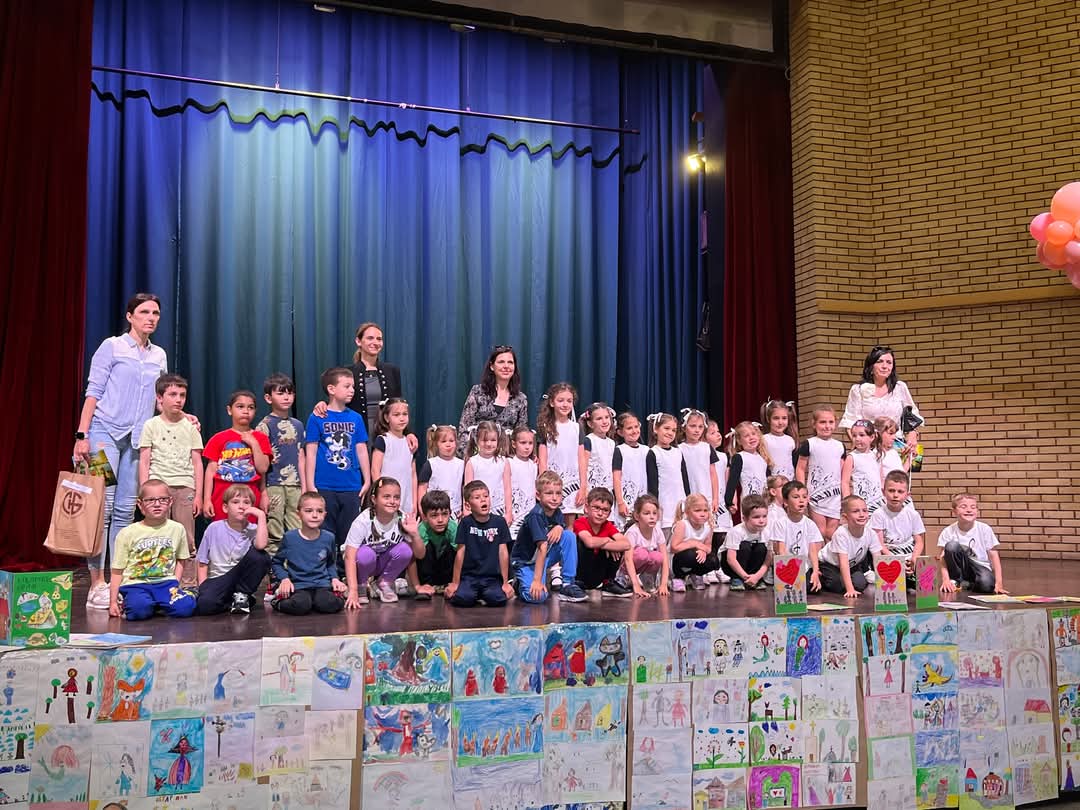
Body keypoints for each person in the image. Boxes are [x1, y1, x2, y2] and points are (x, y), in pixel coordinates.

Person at [75, 293, 170, 610]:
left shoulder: (158, 355)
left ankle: (119, 579)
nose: (151, 317)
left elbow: (161, 399)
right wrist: (82, 435)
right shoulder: (112, 347)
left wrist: (182, 416)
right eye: (144, 312)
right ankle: (96, 583)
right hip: (103, 434)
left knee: (126, 510)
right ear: (130, 316)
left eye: (155, 313)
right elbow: (93, 392)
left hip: (136, 438)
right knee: (101, 508)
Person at [137, 374, 204, 589]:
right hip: (159, 487)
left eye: (182, 395)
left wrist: (199, 495)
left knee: (187, 537)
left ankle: (188, 584)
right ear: (160, 397)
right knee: (158, 535)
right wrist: (145, 492)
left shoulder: (190, 426)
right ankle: (158, 582)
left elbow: (197, 462)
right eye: (173, 394)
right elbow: (144, 460)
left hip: (184, 487)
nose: (178, 400)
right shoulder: (151, 425)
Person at [304, 367, 371, 570]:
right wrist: (310, 484)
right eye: (347, 386)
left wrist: (367, 479)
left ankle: (344, 573)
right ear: (331, 389)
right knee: (325, 532)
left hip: (350, 485)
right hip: (324, 485)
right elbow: (311, 453)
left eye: (353, 386)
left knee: (348, 532)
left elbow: (361, 450)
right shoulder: (317, 417)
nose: (352, 390)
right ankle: (325, 572)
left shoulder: (356, 418)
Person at [108, 479, 197, 621]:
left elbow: (181, 559)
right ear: (140, 504)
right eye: (150, 500)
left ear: (170, 502)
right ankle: (144, 603)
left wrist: (175, 582)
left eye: (163, 499)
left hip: (165, 583)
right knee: (139, 611)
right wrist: (112, 602)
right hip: (136, 585)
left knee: (186, 607)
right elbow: (117, 570)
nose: (157, 504)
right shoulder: (127, 533)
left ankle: (160, 602)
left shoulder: (177, 529)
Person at [254, 372, 306, 597]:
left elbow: (301, 457)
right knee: (274, 532)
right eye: (280, 393)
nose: (286, 397)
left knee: (295, 531)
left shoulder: (298, 424)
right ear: (268, 398)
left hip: (295, 486)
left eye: (290, 393)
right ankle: (275, 578)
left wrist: (305, 486)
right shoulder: (264, 426)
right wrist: (263, 491)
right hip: (274, 485)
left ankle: (294, 576)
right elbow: (261, 464)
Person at [342, 477, 423, 606]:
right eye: (386, 497)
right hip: (363, 564)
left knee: (406, 550)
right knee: (366, 554)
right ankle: (361, 584)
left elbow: (420, 555)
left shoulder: (403, 518)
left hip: (381, 564)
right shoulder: (363, 520)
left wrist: (415, 535)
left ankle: (384, 582)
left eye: (396, 497)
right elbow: (349, 556)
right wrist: (353, 590)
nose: (392, 501)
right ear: (374, 499)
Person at [510, 471, 587, 603]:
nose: (554, 498)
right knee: (538, 597)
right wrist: (537, 581)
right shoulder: (536, 515)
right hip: (526, 562)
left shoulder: (557, 512)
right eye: (549, 493)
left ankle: (567, 583)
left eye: (558, 493)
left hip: (543, 557)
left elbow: (559, 529)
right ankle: (518, 584)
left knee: (569, 536)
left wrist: (560, 526)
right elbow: (542, 547)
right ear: (538, 495)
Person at [195, 485, 271, 615]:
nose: (241, 506)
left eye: (246, 502)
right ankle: (234, 601)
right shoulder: (214, 528)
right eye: (235, 502)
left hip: (240, 578)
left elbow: (261, 545)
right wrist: (203, 586)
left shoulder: (254, 529)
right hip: (219, 578)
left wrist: (261, 516)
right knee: (205, 606)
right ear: (225, 507)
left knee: (261, 556)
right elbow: (202, 561)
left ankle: (242, 594)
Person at [270, 492, 347, 615]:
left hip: (322, 584)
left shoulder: (329, 538)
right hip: (299, 585)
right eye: (309, 511)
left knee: (327, 603)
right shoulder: (290, 538)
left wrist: (335, 579)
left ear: (325, 514)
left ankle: (325, 599)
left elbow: (330, 563)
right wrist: (284, 579)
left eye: (319, 511)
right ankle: (277, 601)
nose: (315, 515)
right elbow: (277, 562)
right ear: (299, 514)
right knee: (301, 605)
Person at [202, 390, 272, 520]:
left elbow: (262, 469)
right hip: (222, 494)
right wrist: (207, 499)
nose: (246, 411)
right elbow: (210, 471)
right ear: (229, 410)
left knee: (250, 530)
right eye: (240, 406)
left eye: (250, 407)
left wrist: (254, 443)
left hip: (250, 494)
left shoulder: (260, 438)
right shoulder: (218, 438)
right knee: (222, 530)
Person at [839, 345, 923, 454]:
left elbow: (912, 415)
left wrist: (912, 434)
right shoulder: (858, 390)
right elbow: (850, 422)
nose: (885, 366)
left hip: (897, 447)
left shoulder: (900, 387)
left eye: (889, 362)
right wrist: (862, 447)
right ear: (871, 366)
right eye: (880, 361)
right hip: (869, 448)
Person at [446, 481, 515, 607]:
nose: (483, 500)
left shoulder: (499, 522)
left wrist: (505, 582)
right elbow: (460, 553)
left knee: (498, 599)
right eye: (477, 497)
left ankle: (483, 594)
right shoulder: (465, 523)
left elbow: (503, 552)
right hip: (469, 577)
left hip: (492, 578)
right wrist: (455, 582)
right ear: (468, 505)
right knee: (462, 599)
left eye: (486, 496)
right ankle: (476, 594)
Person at [456, 345, 529, 456]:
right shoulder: (477, 392)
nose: (506, 366)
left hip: (507, 458)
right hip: (477, 457)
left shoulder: (521, 398)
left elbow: (521, 435)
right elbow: (464, 428)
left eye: (510, 362)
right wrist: (468, 457)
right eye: (501, 362)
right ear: (492, 366)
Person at [537, 383, 589, 520]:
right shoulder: (545, 427)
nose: (565, 404)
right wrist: (544, 485)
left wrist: (583, 487)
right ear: (552, 403)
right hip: (552, 484)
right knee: (550, 522)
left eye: (569, 401)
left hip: (573, 484)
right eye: (560, 400)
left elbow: (581, 459)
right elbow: (543, 460)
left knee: (570, 523)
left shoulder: (577, 428)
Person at [938, 493, 1007, 594]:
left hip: (980, 567)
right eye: (963, 507)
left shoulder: (984, 529)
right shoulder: (948, 531)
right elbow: (942, 558)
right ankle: (957, 580)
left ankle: (968, 584)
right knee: (951, 546)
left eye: (973, 507)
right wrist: (945, 580)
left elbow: (994, 556)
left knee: (987, 586)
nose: (969, 510)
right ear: (954, 511)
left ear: (977, 511)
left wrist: (999, 582)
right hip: (961, 568)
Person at [795, 406, 846, 541]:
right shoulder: (809, 444)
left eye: (830, 422)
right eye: (822, 422)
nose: (827, 426)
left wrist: (845, 494)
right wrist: (802, 491)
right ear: (814, 424)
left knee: (831, 533)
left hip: (835, 495)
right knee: (820, 532)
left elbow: (842, 472)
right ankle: (816, 554)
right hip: (816, 494)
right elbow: (800, 468)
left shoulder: (840, 446)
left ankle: (828, 554)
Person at [817, 495, 883, 597]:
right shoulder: (841, 534)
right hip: (829, 563)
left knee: (860, 584)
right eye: (856, 511)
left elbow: (878, 559)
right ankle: (820, 576)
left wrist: (884, 583)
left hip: (851, 565)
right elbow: (843, 563)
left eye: (864, 510)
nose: (861, 514)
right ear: (845, 517)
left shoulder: (871, 533)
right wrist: (850, 589)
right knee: (836, 585)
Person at [764, 480, 823, 591]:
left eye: (804, 497)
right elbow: (781, 551)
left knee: (811, 587)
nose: (801, 500)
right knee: (794, 588)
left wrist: (815, 571)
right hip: (787, 567)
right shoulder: (781, 523)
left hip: (805, 566)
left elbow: (813, 551)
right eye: (796, 497)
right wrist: (790, 572)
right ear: (786, 502)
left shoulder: (810, 524)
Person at [573, 488, 632, 597]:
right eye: (596, 508)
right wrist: (607, 540)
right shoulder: (580, 522)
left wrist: (609, 545)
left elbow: (626, 544)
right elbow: (589, 542)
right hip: (581, 572)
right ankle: (578, 584)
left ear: (609, 513)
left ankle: (608, 583)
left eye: (605, 510)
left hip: (597, 573)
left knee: (617, 546)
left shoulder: (607, 525)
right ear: (586, 508)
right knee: (581, 543)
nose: (600, 513)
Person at [870, 471, 925, 578]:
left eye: (900, 492)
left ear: (907, 495)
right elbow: (879, 544)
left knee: (927, 574)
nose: (895, 495)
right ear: (883, 492)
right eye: (891, 491)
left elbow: (919, 542)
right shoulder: (878, 514)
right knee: (891, 578)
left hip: (909, 557)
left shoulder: (913, 514)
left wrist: (914, 558)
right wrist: (897, 562)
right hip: (889, 558)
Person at [371, 398, 418, 519]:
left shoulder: (410, 443)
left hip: (406, 498)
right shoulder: (383, 440)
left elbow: (413, 474)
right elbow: (375, 470)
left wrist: (414, 502)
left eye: (404, 414)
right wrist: (380, 492)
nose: (402, 418)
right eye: (396, 415)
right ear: (387, 418)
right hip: (387, 499)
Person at [617, 494, 670, 598]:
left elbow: (665, 559)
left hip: (643, 566)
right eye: (647, 513)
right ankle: (624, 577)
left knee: (658, 556)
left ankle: (647, 578)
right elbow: (628, 559)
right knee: (642, 554)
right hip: (629, 567)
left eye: (654, 513)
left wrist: (663, 584)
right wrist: (636, 586)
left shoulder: (657, 531)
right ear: (637, 516)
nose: (652, 517)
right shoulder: (633, 532)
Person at [410, 490, 458, 599]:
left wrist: (456, 582)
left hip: (447, 573)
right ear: (425, 517)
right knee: (423, 547)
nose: (440, 520)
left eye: (444, 514)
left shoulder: (452, 527)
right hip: (428, 572)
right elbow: (415, 558)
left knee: (458, 548)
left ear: (450, 513)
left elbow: (461, 556)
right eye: (434, 515)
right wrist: (417, 586)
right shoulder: (422, 529)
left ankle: (448, 583)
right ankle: (427, 584)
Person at [645, 413, 686, 539]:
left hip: (680, 502)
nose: (670, 433)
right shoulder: (653, 453)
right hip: (664, 504)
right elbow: (652, 483)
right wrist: (655, 506)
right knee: (664, 539)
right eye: (666, 428)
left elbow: (685, 480)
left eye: (673, 430)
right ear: (656, 429)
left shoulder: (678, 452)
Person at [720, 494, 772, 591]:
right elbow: (731, 559)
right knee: (745, 545)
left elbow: (768, 559)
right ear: (744, 518)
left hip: (750, 567)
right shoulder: (736, 531)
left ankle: (754, 578)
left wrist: (757, 576)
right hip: (731, 565)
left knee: (761, 547)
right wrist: (744, 576)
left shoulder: (766, 532)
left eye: (764, 516)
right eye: (756, 517)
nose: (761, 521)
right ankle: (737, 578)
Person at [671, 494, 722, 591]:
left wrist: (703, 550)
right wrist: (694, 544)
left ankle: (696, 575)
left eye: (705, 510)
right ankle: (679, 577)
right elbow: (674, 548)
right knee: (690, 554)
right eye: (697, 510)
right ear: (687, 512)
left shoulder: (708, 526)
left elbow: (708, 547)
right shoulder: (682, 525)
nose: (702, 514)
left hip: (695, 556)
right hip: (679, 559)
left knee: (714, 561)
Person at [704, 418, 733, 584]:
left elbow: (727, 480)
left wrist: (730, 499)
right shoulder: (703, 453)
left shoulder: (723, 456)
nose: (718, 435)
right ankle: (707, 567)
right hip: (707, 497)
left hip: (720, 499)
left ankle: (717, 566)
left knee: (721, 534)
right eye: (712, 432)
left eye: (718, 432)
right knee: (708, 533)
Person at [724, 421, 771, 518]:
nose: (751, 437)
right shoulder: (739, 457)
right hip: (749, 502)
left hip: (764, 501)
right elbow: (732, 481)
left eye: (753, 434)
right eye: (746, 436)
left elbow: (768, 481)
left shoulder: (762, 458)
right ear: (739, 441)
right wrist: (729, 501)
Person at [612, 412, 649, 531]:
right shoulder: (620, 450)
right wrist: (620, 502)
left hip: (643, 498)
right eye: (629, 428)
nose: (634, 431)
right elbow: (616, 477)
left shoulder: (646, 450)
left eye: (636, 427)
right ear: (620, 432)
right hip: (626, 500)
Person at [679, 409, 720, 517]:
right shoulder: (679, 449)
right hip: (687, 498)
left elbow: (713, 474)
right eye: (693, 426)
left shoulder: (707, 448)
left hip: (706, 496)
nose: (697, 430)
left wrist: (715, 498)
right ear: (684, 427)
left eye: (700, 427)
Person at [417, 425, 465, 517]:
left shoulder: (461, 464)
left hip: (456, 514)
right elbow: (422, 489)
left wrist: (465, 509)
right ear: (436, 444)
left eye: (451, 441)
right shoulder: (431, 464)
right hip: (434, 513)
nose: (448, 444)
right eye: (443, 441)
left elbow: (464, 489)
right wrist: (422, 512)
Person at [464, 421, 509, 516]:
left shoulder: (503, 462)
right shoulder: (472, 462)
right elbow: (467, 489)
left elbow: (507, 489)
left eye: (493, 440)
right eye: (484, 440)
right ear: (477, 440)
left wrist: (509, 512)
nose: (489, 444)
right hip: (477, 511)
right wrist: (467, 511)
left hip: (499, 510)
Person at [841, 419, 883, 513]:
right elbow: (845, 482)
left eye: (861, 435)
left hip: (878, 503)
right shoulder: (852, 457)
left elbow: (881, 480)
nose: (857, 439)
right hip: (860, 504)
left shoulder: (877, 456)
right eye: (854, 435)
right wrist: (848, 503)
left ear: (872, 437)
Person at [506, 426, 539, 538]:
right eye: (523, 443)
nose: (527, 447)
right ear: (514, 444)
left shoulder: (533, 465)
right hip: (514, 511)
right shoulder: (509, 462)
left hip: (529, 510)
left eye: (530, 443)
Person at [582, 403, 617, 495]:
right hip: (592, 490)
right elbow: (583, 468)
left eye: (606, 417)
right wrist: (584, 489)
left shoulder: (612, 443)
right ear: (590, 423)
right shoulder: (589, 440)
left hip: (608, 490)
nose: (604, 421)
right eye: (599, 419)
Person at [760, 399, 799, 480]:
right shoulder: (764, 439)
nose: (780, 422)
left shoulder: (790, 440)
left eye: (784, 418)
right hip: (771, 482)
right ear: (768, 419)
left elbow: (795, 464)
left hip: (790, 482)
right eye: (776, 418)